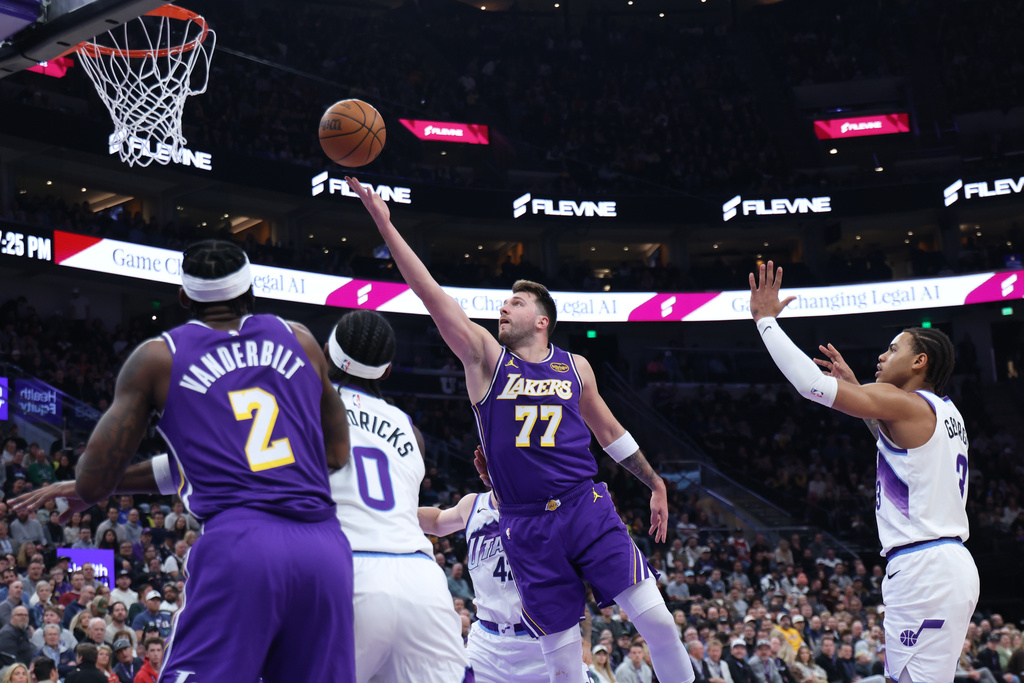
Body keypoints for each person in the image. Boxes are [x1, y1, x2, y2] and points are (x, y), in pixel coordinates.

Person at [347, 175, 692, 683]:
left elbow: (611, 434)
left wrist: (655, 482)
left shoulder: (576, 367)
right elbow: (430, 293)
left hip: (585, 506)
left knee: (659, 620)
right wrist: (384, 223)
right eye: (504, 301)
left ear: (542, 321)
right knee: (562, 663)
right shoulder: (486, 360)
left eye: (516, 301)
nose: (504, 306)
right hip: (525, 523)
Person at [11, 240, 355, 683]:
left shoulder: (160, 357)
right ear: (251, 289)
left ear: (184, 297)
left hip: (243, 544)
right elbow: (335, 453)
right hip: (324, 550)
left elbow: (93, 482)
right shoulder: (300, 339)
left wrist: (89, 487)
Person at [748, 261, 980, 683]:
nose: (882, 354)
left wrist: (765, 321)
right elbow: (896, 441)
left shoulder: (905, 402)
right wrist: (860, 395)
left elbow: (809, 384)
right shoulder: (945, 412)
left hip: (924, 568)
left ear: (919, 362)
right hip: (943, 564)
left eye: (893, 349)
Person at [323, 309, 471, 683]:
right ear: (387, 371)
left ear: (327, 352)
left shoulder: (310, 407)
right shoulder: (411, 431)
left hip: (348, 569)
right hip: (422, 580)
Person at [418, 484, 591, 683]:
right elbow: (437, 522)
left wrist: (586, 639)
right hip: (487, 644)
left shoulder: (546, 503)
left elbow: (575, 583)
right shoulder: (472, 504)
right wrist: (394, 511)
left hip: (542, 642)